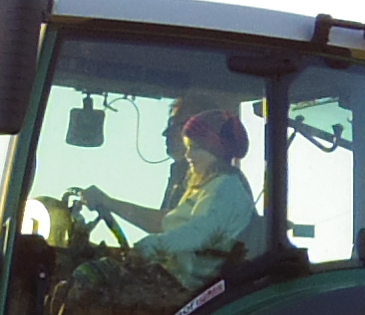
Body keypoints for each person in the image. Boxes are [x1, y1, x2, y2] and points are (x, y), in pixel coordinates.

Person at [64, 104, 260, 287]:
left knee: (89, 278)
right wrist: (108, 203)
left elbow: (197, 233)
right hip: (175, 276)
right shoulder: (206, 185)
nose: (188, 155)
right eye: (188, 147)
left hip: (187, 286)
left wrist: (154, 245)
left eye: (195, 148)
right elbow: (168, 223)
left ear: (215, 149)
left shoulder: (226, 189)